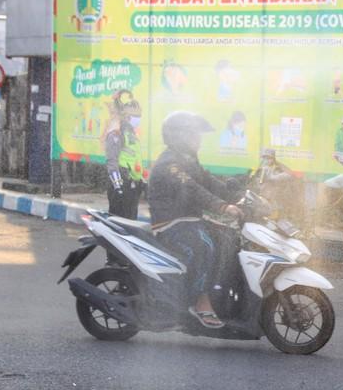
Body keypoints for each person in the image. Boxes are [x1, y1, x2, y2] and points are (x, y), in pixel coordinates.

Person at [147, 111, 243, 329]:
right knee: (205, 246)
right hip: (172, 224)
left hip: (191, 220)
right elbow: (192, 189)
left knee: (228, 240)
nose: (197, 139)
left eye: (197, 135)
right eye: (192, 134)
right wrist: (222, 206)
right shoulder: (170, 164)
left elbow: (207, 181)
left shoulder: (189, 159)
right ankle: (199, 302)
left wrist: (239, 193)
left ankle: (223, 295)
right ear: (178, 136)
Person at [103, 90, 144, 222]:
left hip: (132, 187)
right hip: (121, 184)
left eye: (139, 117)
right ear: (126, 117)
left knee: (131, 222)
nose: (138, 120)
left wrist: (142, 181)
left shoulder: (133, 136)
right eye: (135, 117)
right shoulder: (116, 134)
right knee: (119, 223)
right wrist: (118, 186)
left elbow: (135, 160)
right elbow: (112, 162)